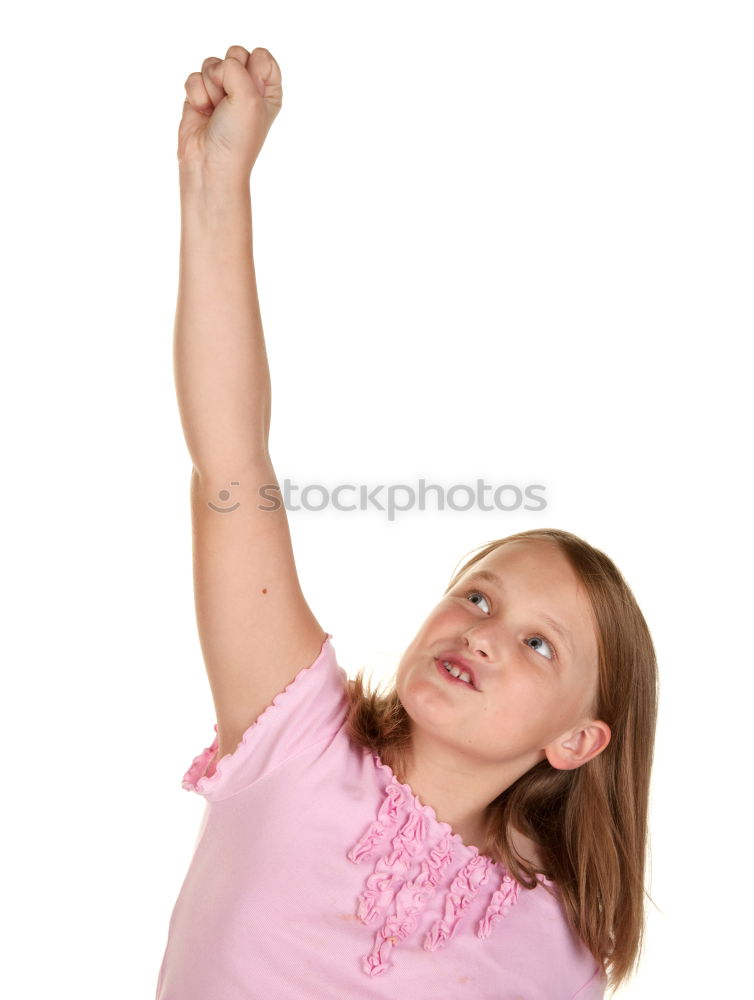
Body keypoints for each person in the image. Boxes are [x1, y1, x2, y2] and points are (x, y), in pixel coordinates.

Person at [155, 44, 658, 1000]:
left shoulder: (560, 951)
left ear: (579, 743)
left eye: (541, 645)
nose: (481, 632)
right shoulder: (294, 740)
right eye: (477, 594)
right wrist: (217, 181)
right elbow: (232, 464)